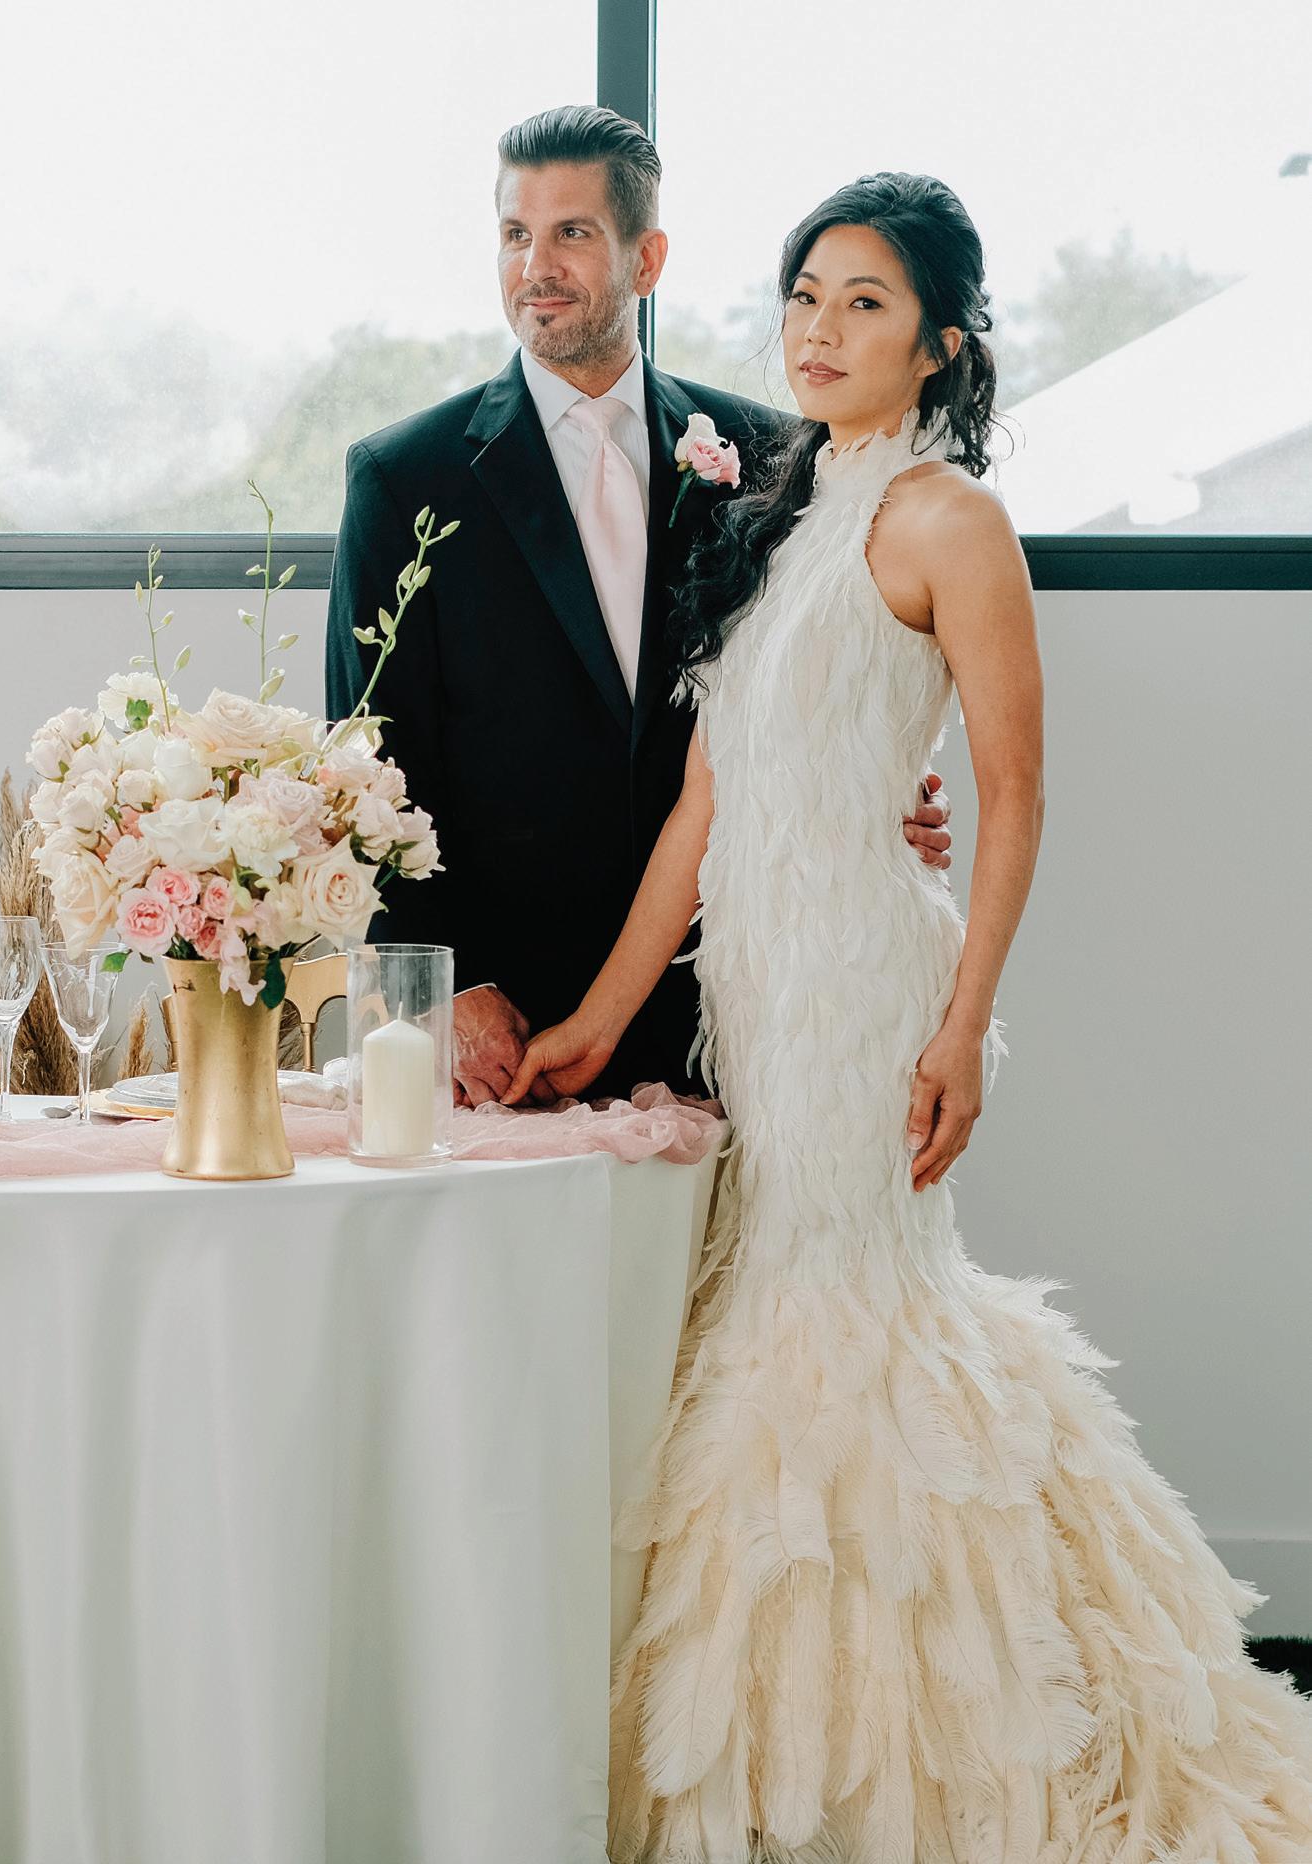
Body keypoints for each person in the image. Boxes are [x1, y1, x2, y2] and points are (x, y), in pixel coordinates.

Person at [503, 172, 1312, 1859]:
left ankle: (947, 1746)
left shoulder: (952, 520)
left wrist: (961, 1026)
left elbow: (1012, 792)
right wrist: (593, 1017)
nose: (816, 327)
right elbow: (706, 803)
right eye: (803, 294)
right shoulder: (791, 508)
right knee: (787, 1314)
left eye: (862, 301)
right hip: (757, 988)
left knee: (848, 1317)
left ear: (939, 341)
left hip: (866, 989)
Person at [323, 106, 953, 1108]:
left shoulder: (772, 454)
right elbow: (370, 767)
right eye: (515, 234)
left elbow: (809, 673)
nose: (536, 267)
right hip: (508, 1023)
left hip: (743, 990)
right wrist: (452, 985)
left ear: (645, 259)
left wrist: (878, 783)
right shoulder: (403, 477)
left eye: (571, 233)